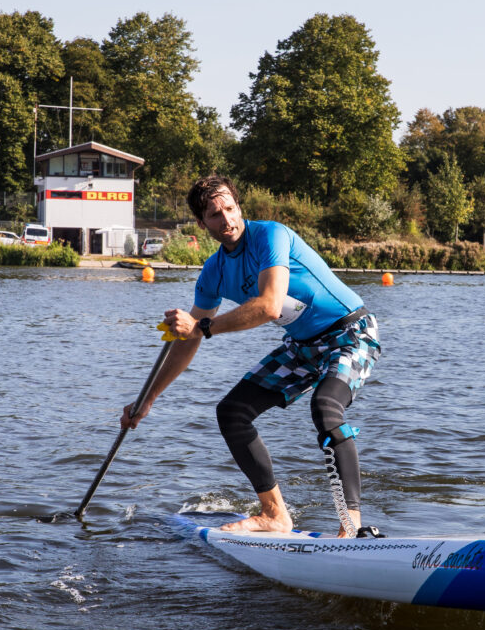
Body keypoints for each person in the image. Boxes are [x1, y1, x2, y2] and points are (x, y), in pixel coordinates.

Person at [121, 175, 381, 537]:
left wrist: (201, 327)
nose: (226, 220)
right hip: (303, 346)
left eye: (230, 209)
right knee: (232, 412)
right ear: (201, 223)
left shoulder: (270, 235)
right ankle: (274, 514)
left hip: (352, 333)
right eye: (214, 214)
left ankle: (351, 524)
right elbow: (187, 339)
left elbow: (269, 306)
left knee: (325, 407)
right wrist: (146, 399)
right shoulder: (213, 271)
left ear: (239, 206)